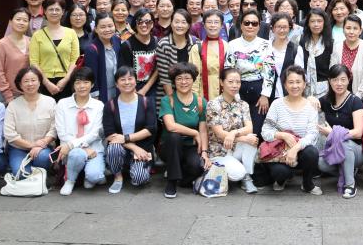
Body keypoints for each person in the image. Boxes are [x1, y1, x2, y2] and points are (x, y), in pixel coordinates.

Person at [259, 66, 322, 194]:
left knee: (312, 153)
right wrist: (283, 135)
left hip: (301, 150)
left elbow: (312, 135)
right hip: (279, 151)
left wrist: (295, 148)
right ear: (285, 85)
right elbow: (265, 131)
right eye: (291, 82)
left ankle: (307, 184)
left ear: (304, 84)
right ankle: (282, 179)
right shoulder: (277, 104)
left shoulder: (310, 106)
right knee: (280, 172)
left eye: (298, 82)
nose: (295, 86)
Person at [102, 66, 157, 193]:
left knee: (139, 179)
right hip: (121, 148)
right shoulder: (110, 105)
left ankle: (135, 168)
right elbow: (109, 134)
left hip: (142, 149)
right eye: (122, 79)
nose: (127, 82)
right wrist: (132, 146)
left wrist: (126, 138)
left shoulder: (146, 102)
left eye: (130, 78)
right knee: (114, 147)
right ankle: (118, 177)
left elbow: (150, 129)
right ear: (116, 84)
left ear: (135, 81)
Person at [54, 65, 106, 195]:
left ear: (92, 84)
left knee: (93, 177)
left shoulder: (99, 106)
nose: (82, 86)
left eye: (86, 82)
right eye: (78, 82)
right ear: (73, 85)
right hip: (70, 151)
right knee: (77, 154)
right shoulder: (62, 104)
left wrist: (76, 145)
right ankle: (70, 180)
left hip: (94, 149)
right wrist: (80, 148)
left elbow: (95, 134)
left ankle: (90, 176)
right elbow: (61, 133)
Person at [159, 63, 209, 198]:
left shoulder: (200, 102)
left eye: (187, 78)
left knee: (198, 167)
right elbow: (171, 126)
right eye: (179, 78)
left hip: (190, 146)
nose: (183, 82)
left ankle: (181, 178)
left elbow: (203, 130)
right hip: (170, 147)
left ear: (193, 80)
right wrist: (194, 132)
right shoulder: (167, 100)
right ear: (174, 81)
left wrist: (204, 152)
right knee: (174, 136)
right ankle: (171, 181)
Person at [206, 67, 259, 193]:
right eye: (230, 82)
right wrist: (242, 138)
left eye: (238, 82)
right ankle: (217, 170)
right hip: (219, 151)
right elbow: (219, 134)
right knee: (237, 173)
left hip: (235, 149)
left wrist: (234, 133)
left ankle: (247, 178)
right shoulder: (213, 104)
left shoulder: (243, 104)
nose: (235, 85)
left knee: (252, 139)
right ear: (221, 82)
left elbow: (249, 128)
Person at [317, 64, 363, 198]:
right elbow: (312, 103)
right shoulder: (327, 100)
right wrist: (311, 99)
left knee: (343, 143)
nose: (339, 83)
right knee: (319, 163)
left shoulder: (355, 101)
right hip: (335, 148)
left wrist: (332, 133)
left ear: (349, 80)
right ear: (329, 81)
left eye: (343, 79)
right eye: (335, 80)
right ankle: (346, 169)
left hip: (356, 150)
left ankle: (350, 184)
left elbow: (358, 132)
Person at [224, 9, 275, 135]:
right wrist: (234, 95)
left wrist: (265, 95)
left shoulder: (266, 44)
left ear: (259, 26)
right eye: (247, 23)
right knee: (239, 129)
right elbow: (228, 70)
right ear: (241, 25)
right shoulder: (232, 45)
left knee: (256, 130)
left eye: (254, 23)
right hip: (238, 89)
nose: (250, 26)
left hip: (259, 90)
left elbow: (269, 71)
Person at [3, 66, 57, 176]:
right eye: (26, 81)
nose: (30, 84)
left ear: (39, 82)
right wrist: (32, 145)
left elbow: (54, 128)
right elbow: (10, 134)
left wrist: (42, 144)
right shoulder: (13, 105)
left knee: (43, 158)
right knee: (20, 174)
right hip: (19, 148)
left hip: (43, 147)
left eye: (33, 80)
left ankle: (41, 175)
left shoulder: (50, 102)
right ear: (20, 84)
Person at [29, 0, 80, 99]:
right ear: (45, 11)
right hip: (43, 82)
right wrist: (46, 83)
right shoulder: (37, 35)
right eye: (51, 9)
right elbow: (33, 62)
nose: (54, 12)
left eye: (57, 9)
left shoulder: (71, 33)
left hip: (67, 81)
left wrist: (65, 79)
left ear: (63, 12)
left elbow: (75, 60)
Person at [82, 13, 134, 103]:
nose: (107, 30)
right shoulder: (92, 49)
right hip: (103, 93)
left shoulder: (117, 40)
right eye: (103, 27)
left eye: (110, 26)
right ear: (96, 29)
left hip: (119, 91)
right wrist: (95, 98)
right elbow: (91, 77)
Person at [156, 9, 200, 98]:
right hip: (168, 94)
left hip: (192, 94)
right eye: (176, 22)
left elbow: (197, 73)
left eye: (183, 22)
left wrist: (194, 98)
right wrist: (172, 99)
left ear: (189, 25)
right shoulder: (163, 44)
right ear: (171, 23)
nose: (180, 25)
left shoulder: (196, 43)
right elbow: (165, 77)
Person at [331, 15, 363, 99]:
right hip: (339, 93)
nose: (351, 32)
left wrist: (358, 95)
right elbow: (333, 71)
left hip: (362, 95)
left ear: (360, 31)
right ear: (343, 29)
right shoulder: (337, 47)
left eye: (355, 28)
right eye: (348, 28)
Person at [0, 8, 30, 104]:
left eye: (25, 20)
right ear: (10, 21)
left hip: (30, 92)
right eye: (18, 19)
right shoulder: (1, 44)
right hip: (10, 94)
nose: (21, 23)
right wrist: (8, 95)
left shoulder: (32, 41)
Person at [192, 9, 226, 100]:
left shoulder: (228, 47)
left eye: (216, 22)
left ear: (221, 25)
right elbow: (194, 76)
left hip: (225, 95)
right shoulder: (197, 48)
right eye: (209, 22)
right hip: (203, 96)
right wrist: (196, 98)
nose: (213, 25)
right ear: (204, 25)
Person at [300, 8, 334, 98]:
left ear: (324, 23)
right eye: (312, 21)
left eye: (319, 21)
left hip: (325, 91)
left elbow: (332, 71)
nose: (316, 24)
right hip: (303, 90)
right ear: (308, 23)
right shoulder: (301, 42)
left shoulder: (331, 44)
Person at [270, 14, 305, 98]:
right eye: (278, 27)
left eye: (285, 27)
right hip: (268, 94)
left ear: (290, 28)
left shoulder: (296, 49)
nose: (282, 30)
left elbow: (299, 73)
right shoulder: (265, 47)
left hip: (289, 94)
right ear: (273, 28)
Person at [128, 7, 159, 98]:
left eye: (148, 22)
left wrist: (145, 89)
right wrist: (134, 92)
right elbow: (125, 71)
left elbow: (158, 69)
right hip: (132, 91)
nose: (144, 25)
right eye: (140, 22)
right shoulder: (127, 45)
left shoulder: (157, 42)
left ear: (152, 24)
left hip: (153, 90)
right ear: (135, 24)